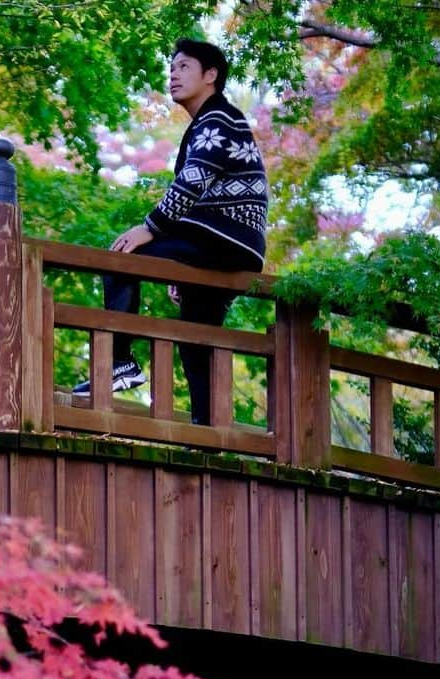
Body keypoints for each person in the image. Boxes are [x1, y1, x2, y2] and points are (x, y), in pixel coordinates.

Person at [74, 39, 268, 425]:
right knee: (196, 334)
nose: (173, 74)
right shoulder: (210, 122)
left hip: (224, 236)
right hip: (226, 241)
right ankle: (209, 430)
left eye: (183, 67)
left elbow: (191, 184)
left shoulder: (218, 120)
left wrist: (150, 229)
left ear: (210, 75)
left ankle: (120, 363)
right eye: (172, 67)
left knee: (121, 256)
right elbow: (200, 192)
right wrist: (179, 258)